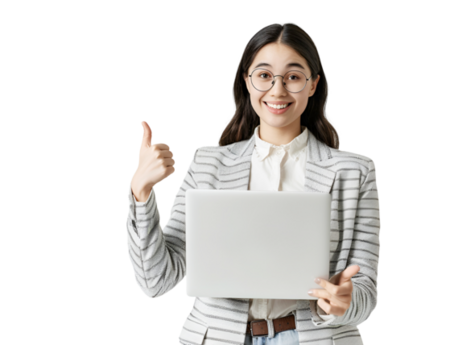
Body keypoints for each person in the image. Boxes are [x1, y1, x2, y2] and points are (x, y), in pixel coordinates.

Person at [125, 21, 381, 345]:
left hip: (316, 338)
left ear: (313, 84)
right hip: (216, 338)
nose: (277, 90)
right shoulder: (208, 164)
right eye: (264, 75)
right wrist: (141, 192)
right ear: (246, 81)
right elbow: (155, 281)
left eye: (293, 76)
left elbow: (366, 294)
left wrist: (343, 302)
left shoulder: (356, 173)